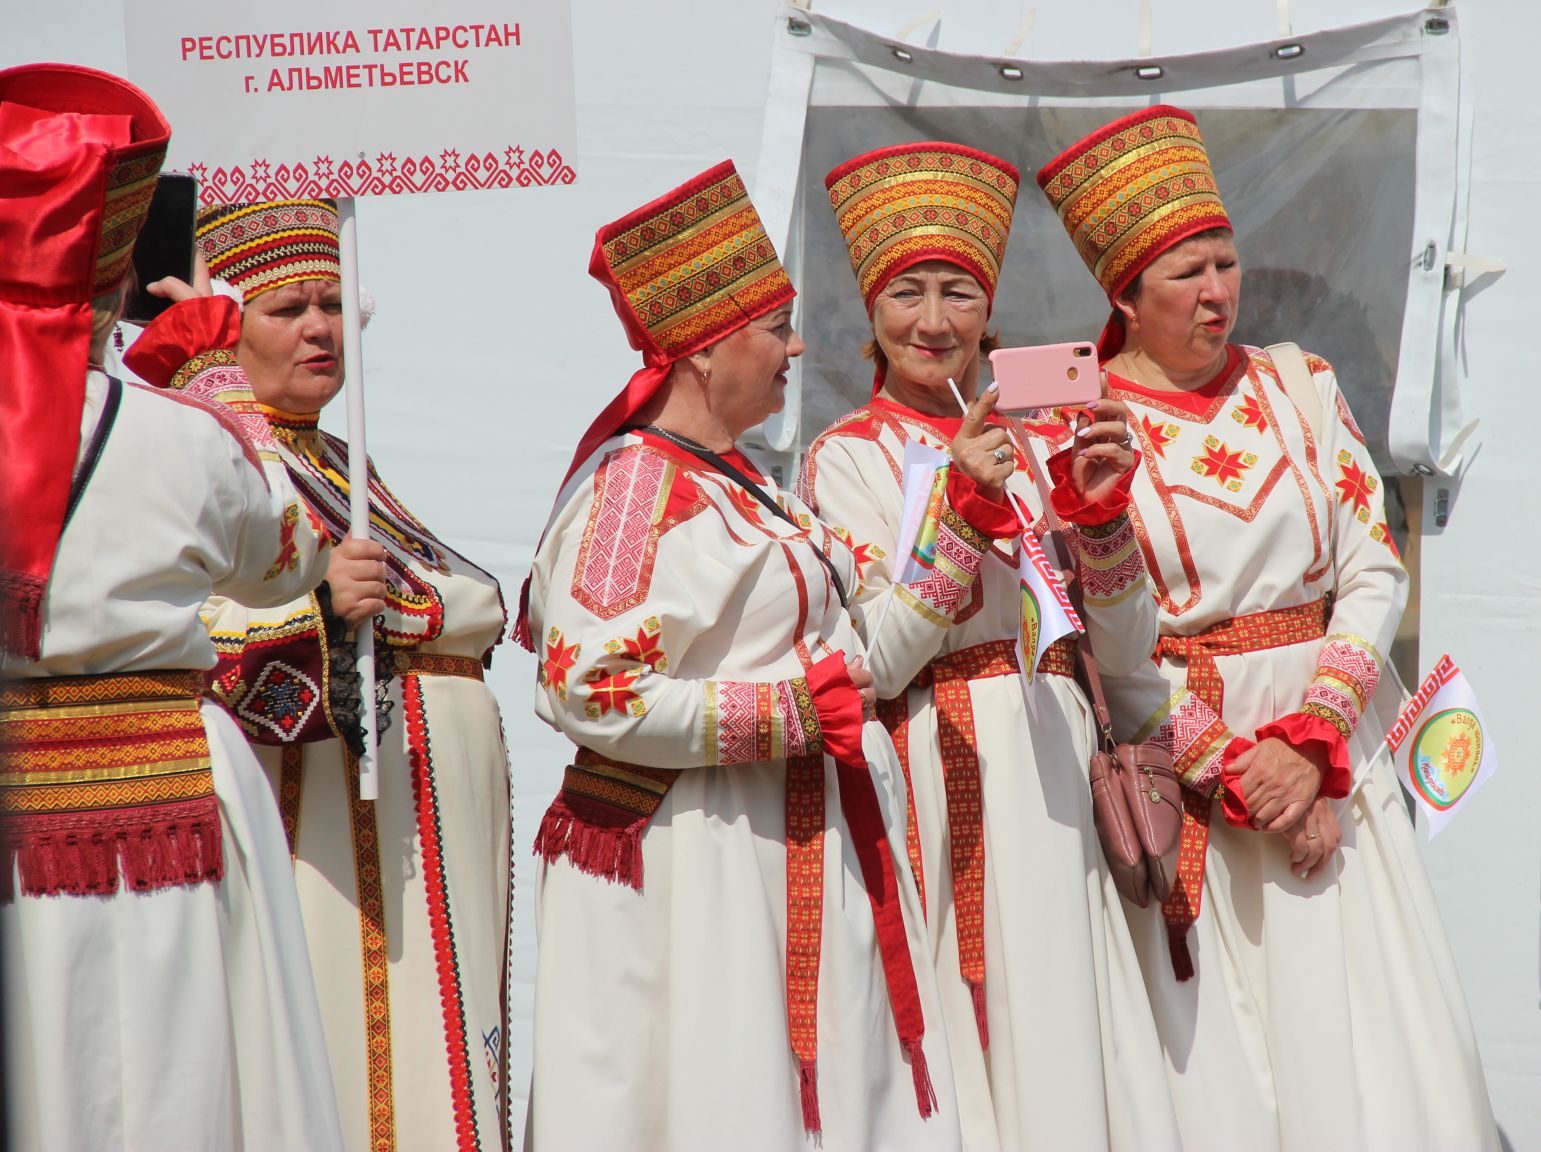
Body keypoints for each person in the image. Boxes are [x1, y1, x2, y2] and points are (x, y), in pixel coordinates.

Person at [1037, 104, 1498, 1149]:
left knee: (1373, 1022)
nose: (1216, 293)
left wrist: (1311, 741)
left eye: (1226, 262)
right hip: (1189, 759)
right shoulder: (1077, 428)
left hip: (1327, 732)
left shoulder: (1299, 381)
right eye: (1185, 274)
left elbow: (1373, 564)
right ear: (1123, 295)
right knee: (1227, 1055)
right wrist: (1241, 769)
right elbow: (1092, 637)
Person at [521, 160, 962, 1151]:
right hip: (693, 863)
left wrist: (964, 517)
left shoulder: (755, 487)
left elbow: (872, 660)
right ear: (707, 350)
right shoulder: (636, 489)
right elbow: (588, 688)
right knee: (707, 1099)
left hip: (777, 842)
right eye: (775, 324)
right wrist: (796, 710)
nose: (797, 343)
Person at [799, 141, 1182, 1151]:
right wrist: (962, 510)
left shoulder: (1035, 442)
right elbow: (878, 658)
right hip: (943, 761)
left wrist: (1099, 517)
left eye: (959, 292)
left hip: (1055, 751)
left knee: (1065, 1025)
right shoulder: (844, 458)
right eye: (908, 292)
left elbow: (1126, 645)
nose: (935, 321)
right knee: (978, 1031)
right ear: (872, 312)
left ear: (990, 311)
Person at [0, 63, 343, 1150]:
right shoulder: (187, 433)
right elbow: (289, 555)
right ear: (114, 266)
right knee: (174, 1076)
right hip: (166, 794)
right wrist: (207, 379)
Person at [125, 198, 513, 1152]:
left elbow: (455, 598)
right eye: (288, 307)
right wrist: (324, 615)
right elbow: (189, 639)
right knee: (348, 1046)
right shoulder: (211, 451)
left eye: (333, 304)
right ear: (229, 325)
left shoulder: (338, 455)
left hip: (420, 829)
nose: (320, 329)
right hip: (324, 823)